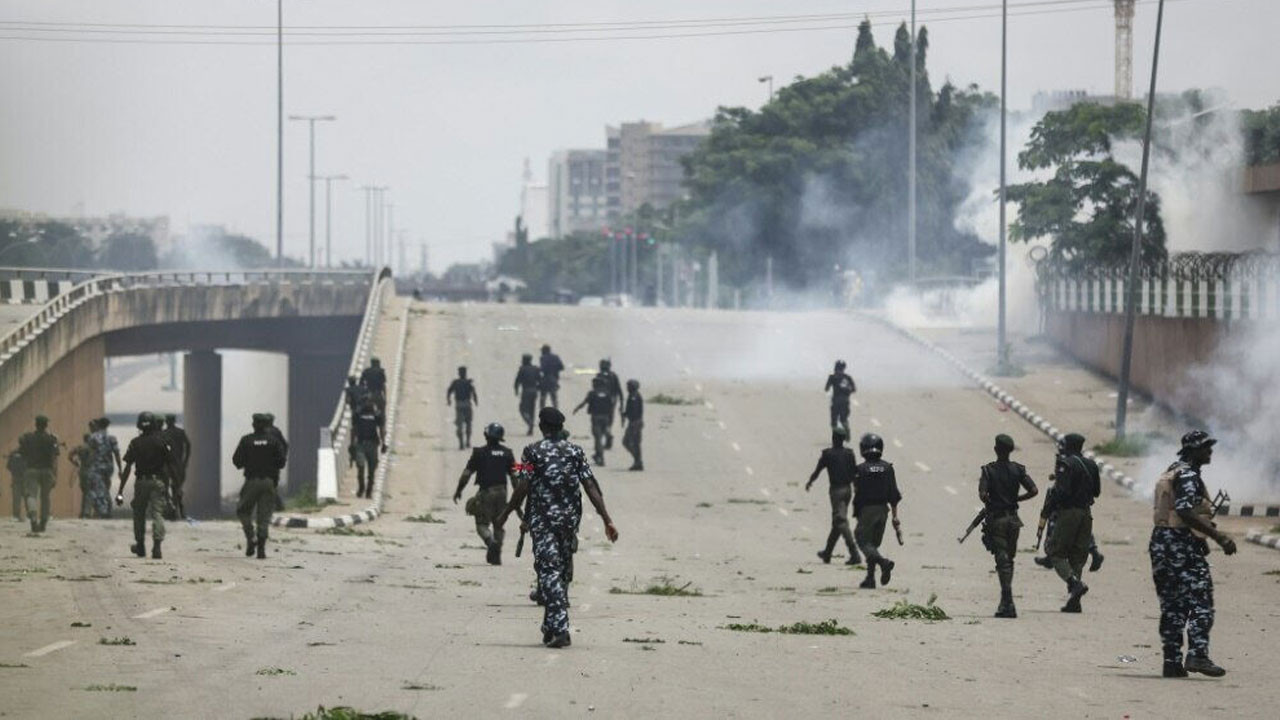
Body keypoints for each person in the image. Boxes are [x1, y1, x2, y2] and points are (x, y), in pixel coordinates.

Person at [495, 407, 619, 648]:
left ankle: (560, 629)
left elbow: (522, 486)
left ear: (541, 426)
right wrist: (607, 519)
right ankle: (551, 626)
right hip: (569, 522)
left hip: (544, 522)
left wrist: (506, 513)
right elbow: (590, 485)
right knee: (559, 573)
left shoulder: (532, 451)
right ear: (561, 428)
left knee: (549, 572)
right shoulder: (576, 451)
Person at [1149, 430, 1237, 678]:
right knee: (1201, 600)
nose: (1209, 451)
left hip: (1162, 541)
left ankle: (1172, 661)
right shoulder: (1188, 475)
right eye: (1204, 447)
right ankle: (1198, 654)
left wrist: (1199, 540)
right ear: (1191, 450)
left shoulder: (1174, 470)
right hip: (1180, 543)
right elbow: (1186, 511)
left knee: (1172, 605)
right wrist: (1218, 537)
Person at [978, 434, 1039, 618]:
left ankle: (1008, 601)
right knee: (1008, 561)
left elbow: (982, 494)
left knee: (1002, 561)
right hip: (1013, 520)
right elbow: (1034, 490)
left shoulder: (989, 470)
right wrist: (1016, 498)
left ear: (996, 449)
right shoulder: (1018, 470)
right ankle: (1006, 601)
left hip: (997, 520)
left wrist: (991, 498)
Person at [1040, 433, 1100, 613]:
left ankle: (1074, 584)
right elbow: (1096, 492)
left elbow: (1061, 492)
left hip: (1069, 513)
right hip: (1086, 514)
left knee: (1055, 552)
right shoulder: (1091, 465)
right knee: (1077, 556)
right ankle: (1075, 601)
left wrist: (1050, 506)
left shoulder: (1066, 465)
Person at [454, 422, 517, 565]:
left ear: (486, 436)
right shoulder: (507, 453)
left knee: (482, 524)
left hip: (486, 493)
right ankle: (497, 552)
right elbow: (515, 475)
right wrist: (517, 498)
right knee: (499, 524)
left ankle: (491, 542)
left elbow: (466, 474)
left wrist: (459, 490)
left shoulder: (479, 453)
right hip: (502, 492)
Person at [115, 412, 175, 559]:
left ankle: (140, 545)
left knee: (139, 513)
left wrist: (120, 491)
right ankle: (157, 546)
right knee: (157, 513)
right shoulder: (162, 442)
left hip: (141, 482)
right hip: (158, 482)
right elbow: (170, 467)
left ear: (139, 425)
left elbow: (128, 467)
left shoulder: (135, 443)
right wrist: (173, 490)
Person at [232, 414, 288, 559]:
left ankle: (251, 538)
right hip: (268, 482)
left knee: (243, 510)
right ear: (267, 426)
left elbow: (237, 461)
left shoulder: (246, 440)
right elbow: (282, 462)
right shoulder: (274, 441)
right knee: (264, 515)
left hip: (252, 481)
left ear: (254, 425)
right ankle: (261, 549)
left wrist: (249, 461)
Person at [805, 427, 863, 566]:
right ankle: (827, 552)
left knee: (841, 521)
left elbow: (818, 470)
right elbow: (855, 472)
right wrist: (857, 488)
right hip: (848, 490)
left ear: (833, 438)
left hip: (836, 491)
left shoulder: (828, 454)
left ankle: (854, 553)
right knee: (837, 522)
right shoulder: (849, 453)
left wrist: (810, 482)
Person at [852, 433, 900, 589]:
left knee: (862, 540)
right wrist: (895, 517)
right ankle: (870, 578)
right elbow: (893, 494)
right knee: (873, 544)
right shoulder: (888, 468)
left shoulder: (860, 469)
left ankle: (883, 563)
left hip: (867, 510)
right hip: (883, 510)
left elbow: (857, 492)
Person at [18, 415, 60, 533]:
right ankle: (43, 522)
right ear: (46, 425)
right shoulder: (52, 439)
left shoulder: (28, 438)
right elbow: (55, 459)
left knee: (31, 495)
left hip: (31, 470)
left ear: (36, 424)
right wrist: (55, 475)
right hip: (47, 470)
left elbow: (22, 453)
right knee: (45, 497)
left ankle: (33, 518)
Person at [572, 376, 614, 466]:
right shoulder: (608, 393)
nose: (593, 385)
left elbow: (584, 402)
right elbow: (611, 406)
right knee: (600, 437)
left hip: (596, 418)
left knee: (598, 438)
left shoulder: (592, 393)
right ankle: (598, 454)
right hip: (606, 418)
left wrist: (577, 409)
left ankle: (601, 458)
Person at [350, 399, 387, 499]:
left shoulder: (376, 415)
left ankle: (369, 490)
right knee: (360, 466)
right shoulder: (358, 414)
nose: (368, 403)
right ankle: (361, 487)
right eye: (366, 401)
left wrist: (384, 443)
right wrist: (352, 443)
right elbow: (353, 429)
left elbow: (381, 429)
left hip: (373, 444)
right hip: (361, 444)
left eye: (370, 402)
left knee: (372, 469)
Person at [87, 418, 122, 520]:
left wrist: (88, 465)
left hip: (97, 467)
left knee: (96, 489)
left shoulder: (93, 437)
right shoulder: (112, 438)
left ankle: (103, 511)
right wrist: (120, 469)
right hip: (108, 467)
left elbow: (90, 453)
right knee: (106, 488)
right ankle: (107, 508)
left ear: (98, 425)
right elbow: (117, 454)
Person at [161, 414, 191, 519]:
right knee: (177, 488)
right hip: (178, 464)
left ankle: (172, 510)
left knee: (166, 489)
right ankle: (179, 511)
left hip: (167, 465)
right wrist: (185, 460)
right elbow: (188, 446)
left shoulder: (164, 433)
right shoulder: (180, 432)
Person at [447, 366, 478, 450]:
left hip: (459, 405)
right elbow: (474, 392)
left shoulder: (456, 382)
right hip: (467, 404)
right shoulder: (468, 382)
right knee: (468, 423)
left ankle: (462, 443)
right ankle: (467, 441)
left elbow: (449, 391)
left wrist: (449, 400)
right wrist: (475, 401)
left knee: (460, 425)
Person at [595, 359, 624, 449]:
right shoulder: (613, 376)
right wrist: (622, 404)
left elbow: (595, 390)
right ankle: (608, 437)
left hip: (601, 403)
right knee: (608, 422)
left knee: (600, 421)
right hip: (611, 402)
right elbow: (619, 390)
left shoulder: (599, 376)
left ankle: (606, 438)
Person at [824, 360, 856, 434]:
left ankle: (841, 432)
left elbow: (826, 388)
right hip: (845, 401)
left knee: (833, 422)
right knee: (843, 419)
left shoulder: (832, 377)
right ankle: (846, 429)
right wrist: (847, 391)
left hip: (835, 401)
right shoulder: (848, 377)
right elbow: (854, 389)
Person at [514, 354, 543, 436]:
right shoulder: (535, 369)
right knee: (531, 409)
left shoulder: (522, 369)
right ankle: (531, 429)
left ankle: (529, 422)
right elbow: (540, 380)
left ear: (524, 360)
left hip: (526, 391)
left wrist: (516, 390)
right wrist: (539, 389)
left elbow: (517, 381)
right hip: (534, 391)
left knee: (522, 409)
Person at [621, 379, 644, 471]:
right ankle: (637, 461)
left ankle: (638, 461)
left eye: (628, 386)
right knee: (635, 443)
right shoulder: (633, 395)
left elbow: (634, 411)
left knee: (628, 442)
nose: (627, 388)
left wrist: (626, 414)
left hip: (635, 423)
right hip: (635, 422)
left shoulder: (634, 396)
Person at [71, 431, 94, 519]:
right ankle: (87, 512)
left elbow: (70, 455)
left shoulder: (79, 447)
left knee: (85, 492)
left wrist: (75, 463)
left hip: (82, 471)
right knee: (89, 492)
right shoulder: (91, 448)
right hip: (90, 471)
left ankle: (82, 512)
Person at [538, 344, 565, 410]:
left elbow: (542, 369)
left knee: (543, 396)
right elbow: (562, 367)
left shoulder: (543, 357)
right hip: (554, 379)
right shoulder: (556, 357)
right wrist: (555, 369)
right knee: (554, 396)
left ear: (544, 351)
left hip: (546, 379)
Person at [7, 448, 25, 521]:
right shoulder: (29, 452)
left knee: (16, 498)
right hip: (26, 477)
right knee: (28, 496)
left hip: (16, 478)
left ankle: (16, 515)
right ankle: (30, 515)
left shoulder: (13, 453)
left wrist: (14, 472)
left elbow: (8, 466)